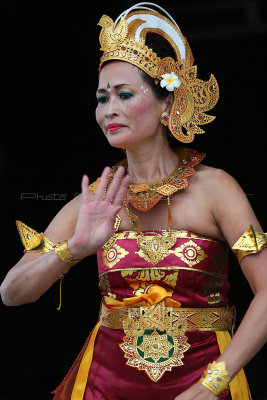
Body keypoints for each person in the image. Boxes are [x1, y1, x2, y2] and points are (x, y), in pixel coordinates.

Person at [1, 2, 267, 400]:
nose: (109, 110)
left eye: (124, 95)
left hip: (203, 386)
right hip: (104, 386)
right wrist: (73, 250)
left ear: (167, 104)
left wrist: (212, 384)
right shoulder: (95, 201)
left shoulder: (216, 190)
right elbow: (11, 292)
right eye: (101, 98)